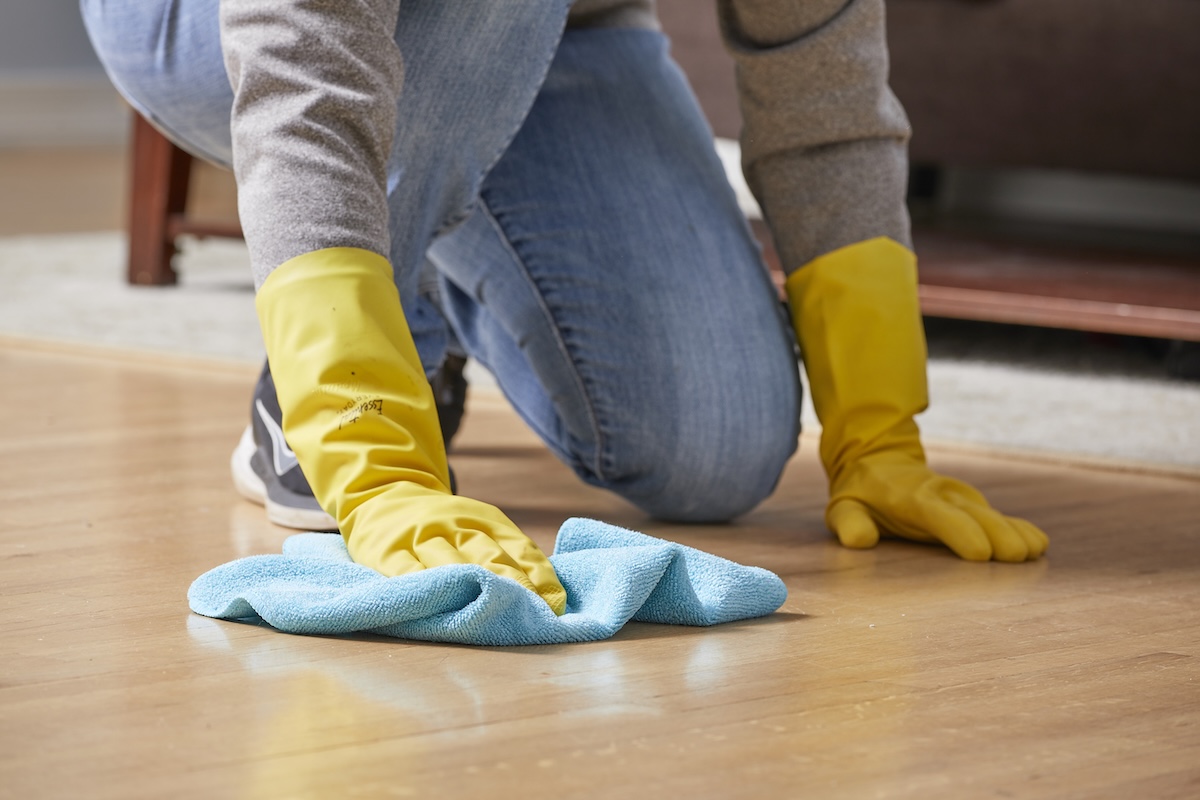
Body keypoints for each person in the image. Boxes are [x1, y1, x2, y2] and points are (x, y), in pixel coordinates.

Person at [82, 0, 1048, 614]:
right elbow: (304, 77)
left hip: (561, 29)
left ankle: (417, 270)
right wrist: (364, 445)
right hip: (218, 26)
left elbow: (822, 92)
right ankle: (334, 386)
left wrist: (877, 429)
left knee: (715, 451)